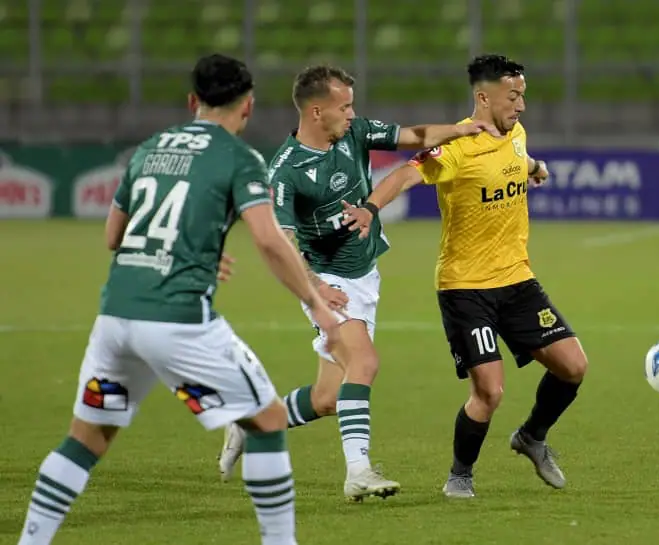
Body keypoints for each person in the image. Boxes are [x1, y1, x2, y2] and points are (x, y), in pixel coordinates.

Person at [16, 54, 339, 545]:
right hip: (177, 322)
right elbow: (270, 241)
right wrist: (315, 300)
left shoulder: (150, 148)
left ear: (192, 101)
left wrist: (190, 256)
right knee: (269, 419)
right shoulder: (237, 157)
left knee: (87, 439)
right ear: (248, 106)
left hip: (116, 319)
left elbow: (113, 236)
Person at [217, 64, 499, 501]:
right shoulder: (287, 171)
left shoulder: (354, 133)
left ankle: (251, 421)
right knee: (364, 364)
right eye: (343, 106)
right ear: (315, 111)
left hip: (364, 275)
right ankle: (358, 472)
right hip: (326, 282)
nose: (352, 113)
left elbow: (415, 136)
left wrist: (462, 131)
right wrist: (314, 289)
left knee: (329, 397)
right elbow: (282, 241)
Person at [341, 54, 589, 499]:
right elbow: (404, 173)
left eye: (523, 96)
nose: (521, 105)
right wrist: (370, 208)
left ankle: (532, 437)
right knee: (489, 391)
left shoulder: (515, 133)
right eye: (513, 96)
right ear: (483, 96)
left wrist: (535, 168)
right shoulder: (457, 146)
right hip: (465, 287)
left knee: (573, 366)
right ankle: (460, 476)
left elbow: (518, 157)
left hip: (517, 281)